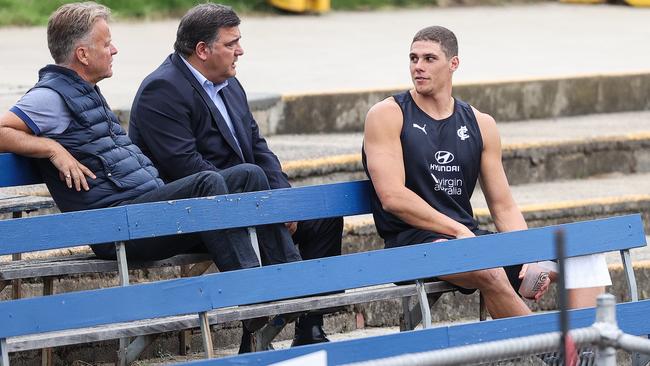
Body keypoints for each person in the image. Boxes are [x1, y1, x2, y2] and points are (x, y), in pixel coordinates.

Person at [0, 1, 301, 306]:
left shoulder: (84, 89)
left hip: (143, 215)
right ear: (82, 54)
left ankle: (289, 285)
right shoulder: (51, 96)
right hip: (118, 225)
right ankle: (253, 296)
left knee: (248, 175)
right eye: (106, 44)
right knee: (207, 185)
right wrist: (52, 148)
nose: (114, 50)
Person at [128, 3, 343, 349]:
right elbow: (186, 168)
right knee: (249, 181)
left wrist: (281, 200)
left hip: (248, 199)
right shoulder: (162, 91)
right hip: (197, 215)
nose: (240, 50)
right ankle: (270, 314)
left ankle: (309, 327)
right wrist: (260, 206)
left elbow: (258, 147)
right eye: (231, 44)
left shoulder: (228, 83)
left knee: (323, 217)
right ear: (202, 50)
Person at [362, 25, 611, 319]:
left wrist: (529, 254)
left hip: (468, 237)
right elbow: (392, 197)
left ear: (453, 64)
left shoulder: (480, 123)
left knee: (585, 257)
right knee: (490, 270)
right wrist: (457, 231)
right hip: (412, 242)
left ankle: (587, 350)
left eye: (429, 59)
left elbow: (503, 206)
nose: (418, 67)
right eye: (413, 58)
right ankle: (558, 354)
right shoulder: (388, 114)